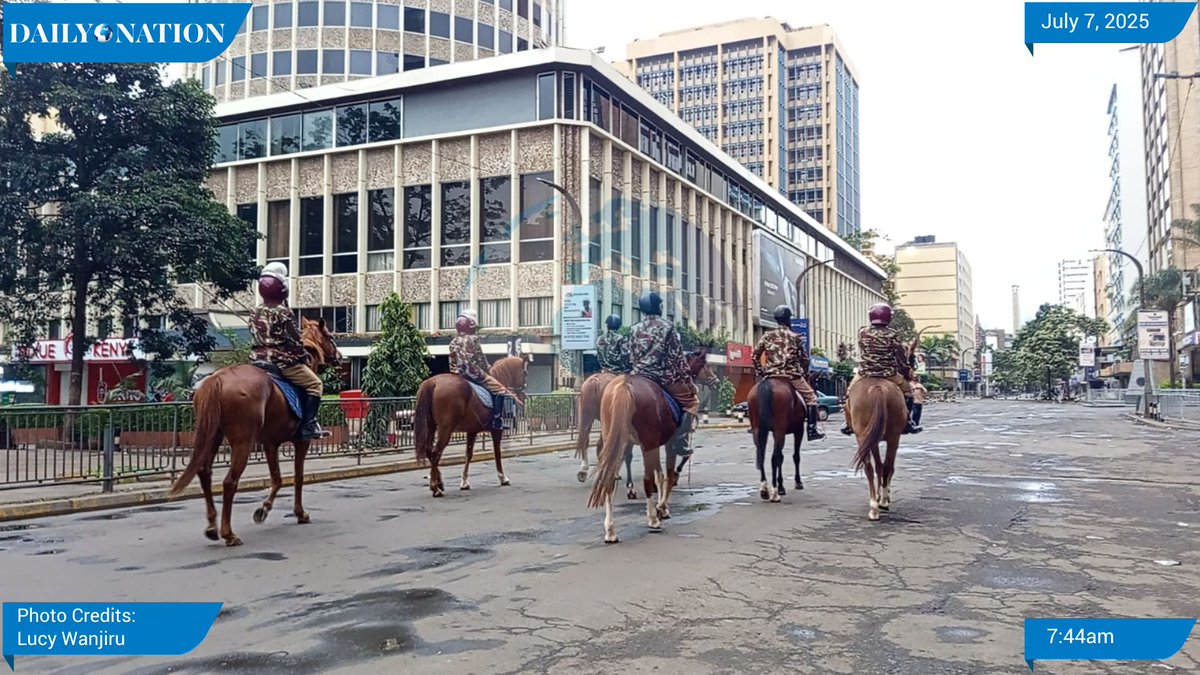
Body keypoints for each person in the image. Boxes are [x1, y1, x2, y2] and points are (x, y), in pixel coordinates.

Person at [250, 262, 328, 439]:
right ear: (282, 289)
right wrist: (302, 355)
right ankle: (308, 426)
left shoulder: (254, 311)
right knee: (316, 384)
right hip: (282, 363)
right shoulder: (284, 312)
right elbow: (296, 340)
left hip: (258, 361)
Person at [627, 291, 698, 457]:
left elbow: (631, 355)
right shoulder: (668, 327)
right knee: (692, 402)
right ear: (657, 306)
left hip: (637, 374)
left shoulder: (634, 328)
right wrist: (687, 379)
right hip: (661, 376)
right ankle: (681, 439)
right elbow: (678, 358)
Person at [839, 302, 922, 435]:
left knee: (849, 393)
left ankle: (848, 423)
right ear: (888, 317)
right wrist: (907, 373)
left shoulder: (862, 332)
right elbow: (900, 358)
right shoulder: (893, 334)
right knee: (908, 393)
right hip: (888, 374)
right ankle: (908, 422)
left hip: (865, 373)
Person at [752, 305, 825, 441]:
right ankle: (812, 429)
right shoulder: (795, 336)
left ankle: (755, 425)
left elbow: (755, 356)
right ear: (788, 319)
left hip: (771, 374)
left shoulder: (767, 335)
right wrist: (803, 371)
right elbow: (803, 358)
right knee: (811, 398)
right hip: (791, 376)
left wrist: (761, 372)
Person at [449, 311, 521, 430]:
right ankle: (496, 420)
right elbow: (480, 358)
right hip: (473, 373)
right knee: (500, 390)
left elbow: (452, 360)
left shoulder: (453, 341)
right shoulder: (473, 339)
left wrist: (454, 372)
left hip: (458, 374)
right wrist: (487, 370)